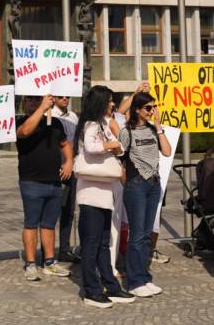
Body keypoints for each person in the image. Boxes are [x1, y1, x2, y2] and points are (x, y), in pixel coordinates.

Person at [74, 86, 134, 308]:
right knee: (91, 245)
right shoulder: (90, 124)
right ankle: (91, 291)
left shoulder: (104, 124)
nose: (112, 104)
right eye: (109, 101)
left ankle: (111, 286)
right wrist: (112, 145)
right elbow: (91, 147)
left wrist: (117, 146)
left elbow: (120, 149)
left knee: (102, 243)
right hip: (90, 194)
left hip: (105, 193)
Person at [117, 91, 172, 298]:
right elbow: (119, 162)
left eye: (154, 107)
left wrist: (159, 127)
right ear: (137, 110)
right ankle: (134, 281)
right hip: (136, 184)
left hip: (154, 184)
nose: (152, 111)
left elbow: (167, 152)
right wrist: (129, 185)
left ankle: (144, 276)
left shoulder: (152, 129)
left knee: (147, 235)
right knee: (137, 235)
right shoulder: (127, 132)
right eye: (148, 108)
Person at [15, 95, 73, 281]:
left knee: (49, 224)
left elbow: (64, 144)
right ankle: (31, 263)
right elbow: (25, 132)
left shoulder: (55, 123)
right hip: (31, 181)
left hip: (54, 181)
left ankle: (49, 262)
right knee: (31, 223)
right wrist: (42, 109)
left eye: (37, 100)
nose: (34, 103)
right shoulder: (20, 121)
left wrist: (69, 162)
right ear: (24, 103)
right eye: (30, 100)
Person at [52, 95, 80, 263]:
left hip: (72, 167)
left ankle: (64, 249)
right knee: (51, 213)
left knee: (68, 211)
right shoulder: (49, 116)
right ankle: (47, 252)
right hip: (55, 168)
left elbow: (74, 142)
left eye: (67, 96)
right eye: (61, 96)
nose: (65, 99)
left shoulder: (73, 117)